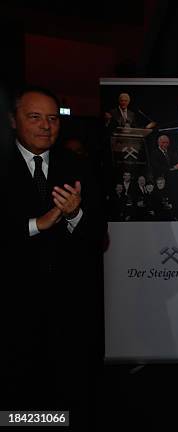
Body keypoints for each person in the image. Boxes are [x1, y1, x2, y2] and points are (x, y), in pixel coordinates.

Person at [2, 86, 99, 426]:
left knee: (68, 394)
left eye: (53, 119)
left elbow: (98, 238)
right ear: (14, 120)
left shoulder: (79, 167)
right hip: (13, 310)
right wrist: (35, 224)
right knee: (19, 398)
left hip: (68, 309)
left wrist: (74, 215)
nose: (46, 126)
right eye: (35, 117)